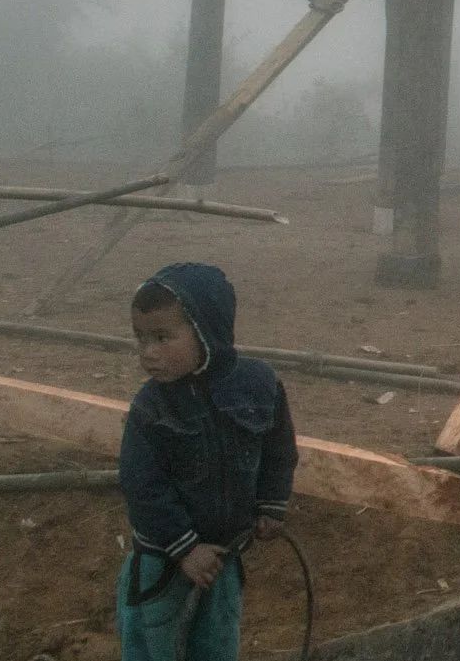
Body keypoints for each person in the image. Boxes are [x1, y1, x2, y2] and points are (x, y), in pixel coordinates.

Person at [118, 263, 297, 661]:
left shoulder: (259, 385)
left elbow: (278, 447)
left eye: (162, 338)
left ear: (206, 329)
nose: (148, 353)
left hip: (220, 562)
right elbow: (142, 486)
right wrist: (184, 548)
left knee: (216, 646)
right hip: (162, 567)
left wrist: (271, 502)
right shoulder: (152, 408)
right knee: (158, 649)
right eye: (141, 338)